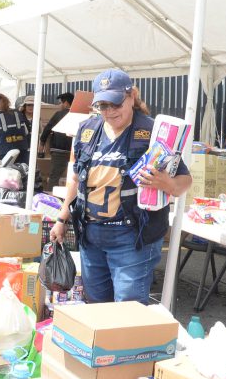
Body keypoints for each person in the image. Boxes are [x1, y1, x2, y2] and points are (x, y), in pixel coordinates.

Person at [50, 69, 192, 304]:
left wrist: (166, 183)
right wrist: (62, 218)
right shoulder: (86, 130)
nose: (109, 111)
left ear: (132, 96)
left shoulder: (153, 133)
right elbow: (75, 177)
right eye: (102, 105)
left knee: (127, 310)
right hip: (91, 236)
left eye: (116, 103)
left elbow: (185, 182)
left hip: (132, 238)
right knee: (96, 307)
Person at [38, 92, 74, 185]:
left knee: (54, 177)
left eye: (60, 103)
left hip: (59, 150)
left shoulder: (59, 114)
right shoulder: (79, 115)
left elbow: (47, 130)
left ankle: (51, 197)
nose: (59, 105)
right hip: (75, 151)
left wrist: (41, 145)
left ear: (66, 103)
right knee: (74, 177)